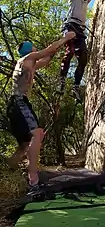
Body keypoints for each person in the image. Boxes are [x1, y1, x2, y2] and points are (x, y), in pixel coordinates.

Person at [6, 32, 75, 192]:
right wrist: (66, 38)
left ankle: (7, 170)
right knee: (37, 134)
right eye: (34, 47)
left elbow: (47, 58)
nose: (36, 48)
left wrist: (59, 50)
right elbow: (48, 50)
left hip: (16, 105)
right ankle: (33, 179)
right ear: (30, 50)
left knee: (24, 146)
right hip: (19, 103)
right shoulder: (27, 58)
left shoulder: (27, 63)